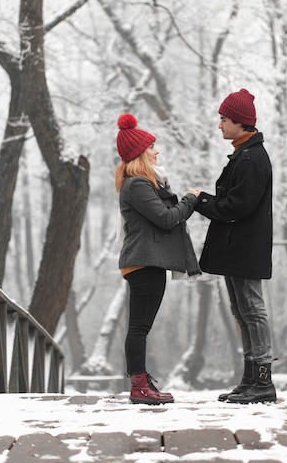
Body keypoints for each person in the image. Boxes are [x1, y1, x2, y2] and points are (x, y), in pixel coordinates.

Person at [194, 88, 276, 404]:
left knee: (252, 309)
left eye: (224, 119)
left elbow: (236, 207)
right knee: (242, 311)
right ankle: (250, 378)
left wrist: (201, 200)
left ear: (240, 123)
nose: (220, 125)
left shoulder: (253, 159)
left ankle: (263, 381)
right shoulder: (244, 155)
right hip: (236, 248)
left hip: (245, 248)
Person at [115, 113, 201, 405]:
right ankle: (138, 386)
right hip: (144, 262)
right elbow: (166, 219)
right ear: (140, 153)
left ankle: (141, 383)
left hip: (146, 261)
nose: (157, 150)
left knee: (141, 326)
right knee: (139, 327)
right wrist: (190, 199)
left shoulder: (142, 183)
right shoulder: (137, 184)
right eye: (151, 147)